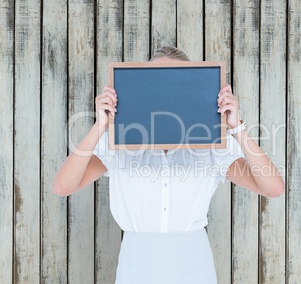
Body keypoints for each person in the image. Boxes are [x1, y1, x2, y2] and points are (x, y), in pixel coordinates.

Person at [53, 46, 284, 283]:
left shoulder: (212, 145)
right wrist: (100, 125)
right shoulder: (119, 140)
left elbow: (272, 188)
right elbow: (63, 186)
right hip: (136, 266)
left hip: (194, 265)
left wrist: (237, 127)